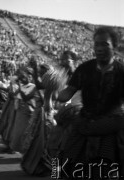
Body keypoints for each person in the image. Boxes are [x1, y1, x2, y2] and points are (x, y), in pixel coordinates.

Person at [57, 26, 124, 179]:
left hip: (111, 126)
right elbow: (67, 93)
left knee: (106, 170)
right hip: (84, 123)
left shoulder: (121, 72)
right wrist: (53, 91)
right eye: (96, 45)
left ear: (114, 46)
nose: (99, 48)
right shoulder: (84, 69)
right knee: (65, 165)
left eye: (105, 44)